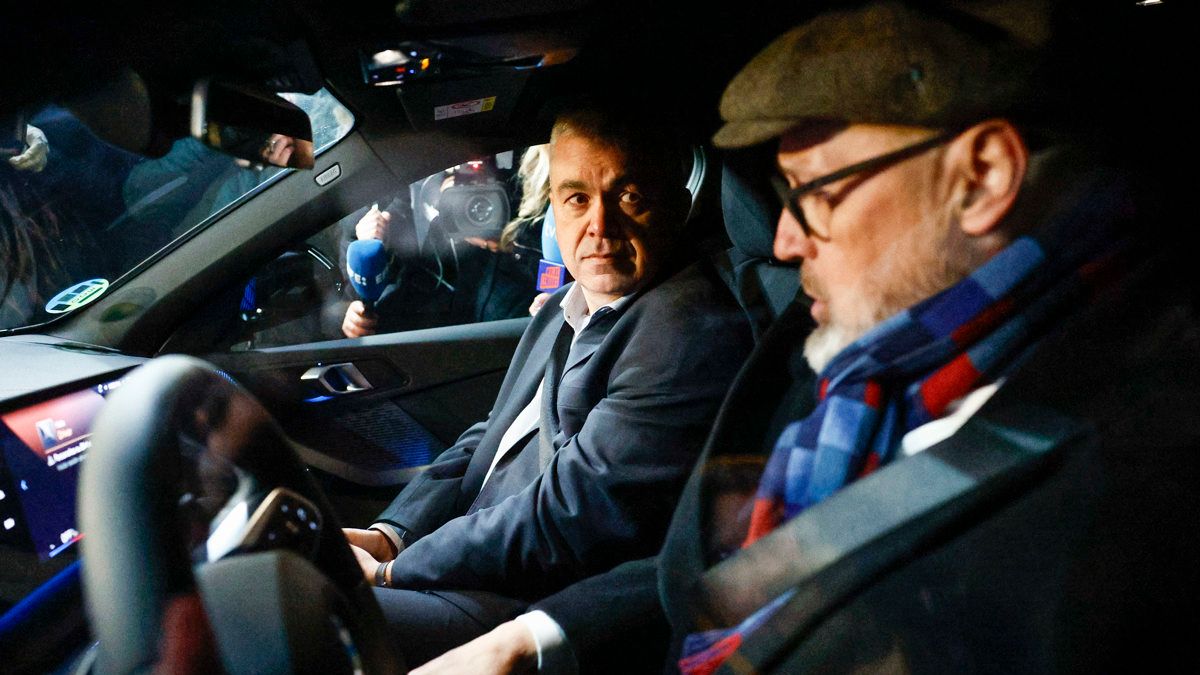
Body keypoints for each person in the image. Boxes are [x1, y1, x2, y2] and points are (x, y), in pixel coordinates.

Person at [423, 1, 1196, 673]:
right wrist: (536, 636)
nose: (786, 241)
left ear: (983, 175)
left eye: (815, 192)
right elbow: (733, 567)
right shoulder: (865, 359)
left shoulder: (1136, 470)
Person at [341, 103, 755, 669]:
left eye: (630, 196)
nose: (600, 226)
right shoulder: (566, 306)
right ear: (554, 211)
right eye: (577, 199)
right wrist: (392, 533)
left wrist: (395, 571)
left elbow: (569, 515)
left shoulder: (687, 332)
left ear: (676, 208)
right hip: (470, 565)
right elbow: (491, 436)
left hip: (523, 601)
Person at [340, 147, 548, 338]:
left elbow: (550, 255)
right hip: (428, 306)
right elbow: (360, 281)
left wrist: (510, 242)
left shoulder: (529, 174)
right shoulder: (395, 186)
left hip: (503, 299)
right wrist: (354, 311)